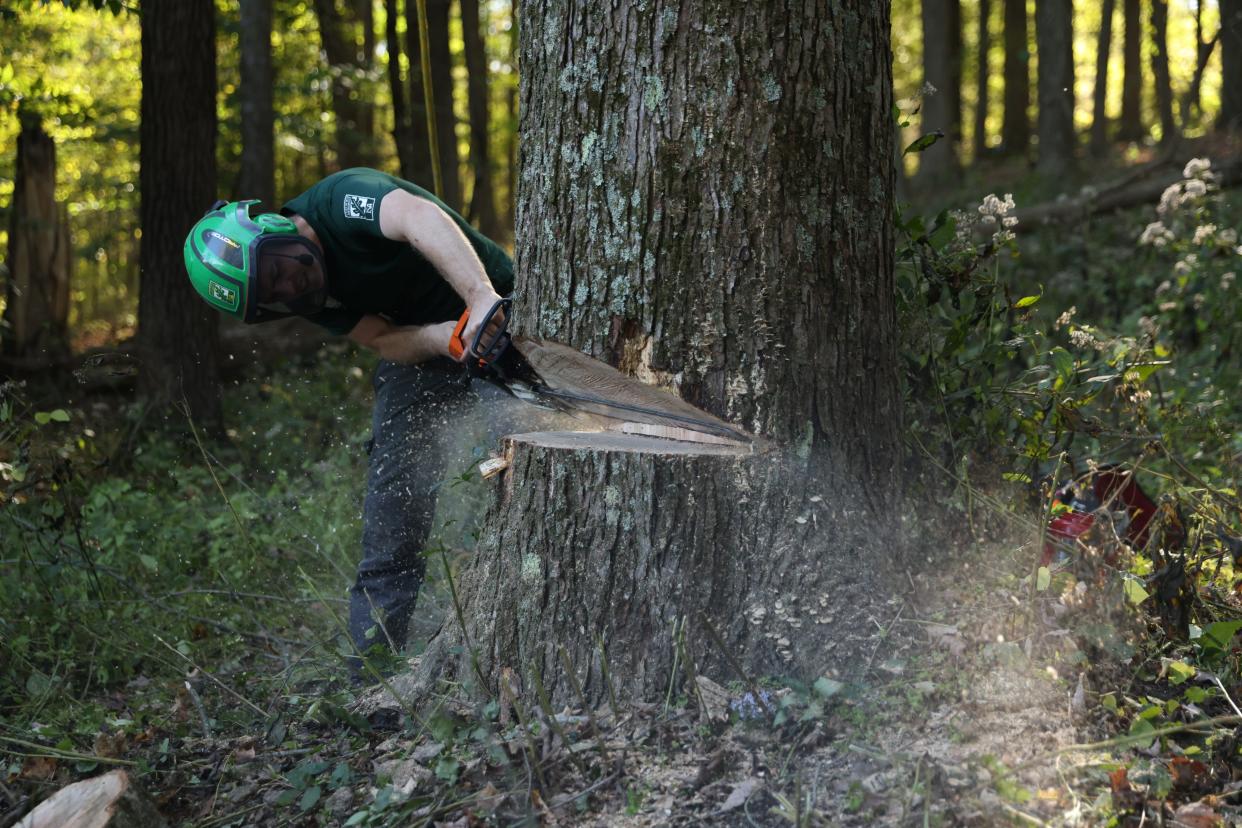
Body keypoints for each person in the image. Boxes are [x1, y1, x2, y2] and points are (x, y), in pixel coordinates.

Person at [182, 167, 514, 675]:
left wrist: (479, 298)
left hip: (501, 311)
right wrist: (443, 338)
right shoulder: (309, 295)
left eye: (278, 270)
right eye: (275, 295)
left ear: (273, 228)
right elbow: (382, 339)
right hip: (427, 345)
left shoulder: (341, 200)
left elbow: (416, 215)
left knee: (514, 461)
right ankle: (374, 675)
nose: (290, 286)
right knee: (392, 509)